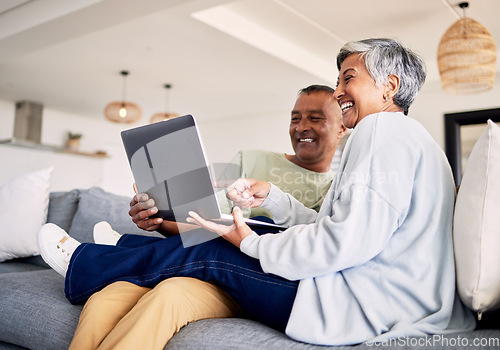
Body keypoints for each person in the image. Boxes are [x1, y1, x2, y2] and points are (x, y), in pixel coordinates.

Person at [39, 38, 476, 346]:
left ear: (390, 86)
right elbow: (337, 228)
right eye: (339, 80)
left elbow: (344, 241)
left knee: (216, 247)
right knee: (235, 231)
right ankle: (123, 248)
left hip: (361, 302)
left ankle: (88, 262)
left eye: (349, 78)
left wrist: (248, 240)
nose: (340, 91)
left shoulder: (381, 132)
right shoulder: (410, 142)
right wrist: (271, 201)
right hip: (371, 292)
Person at [67, 84, 348, 350]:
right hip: (200, 258)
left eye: (315, 118)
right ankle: (117, 253)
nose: (301, 127)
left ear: (342, 127)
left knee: (169, 295)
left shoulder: (336, 193)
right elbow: (205, 229)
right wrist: (159, 220)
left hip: (248, 282)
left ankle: (110, 253)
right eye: (295, 118)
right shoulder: (251, 159)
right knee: (106, 297)